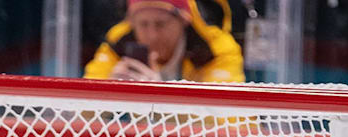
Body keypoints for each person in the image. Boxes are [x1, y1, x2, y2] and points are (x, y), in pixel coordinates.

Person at [84, 0, 242, 84]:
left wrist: (161, 98)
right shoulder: (118, 43)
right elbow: (79, 111)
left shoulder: (216, 49)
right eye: (143, 24)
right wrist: (106, 93)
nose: (152, 35)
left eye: (161, 24)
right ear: (131, 22)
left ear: (184, 20)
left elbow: (228, 120)